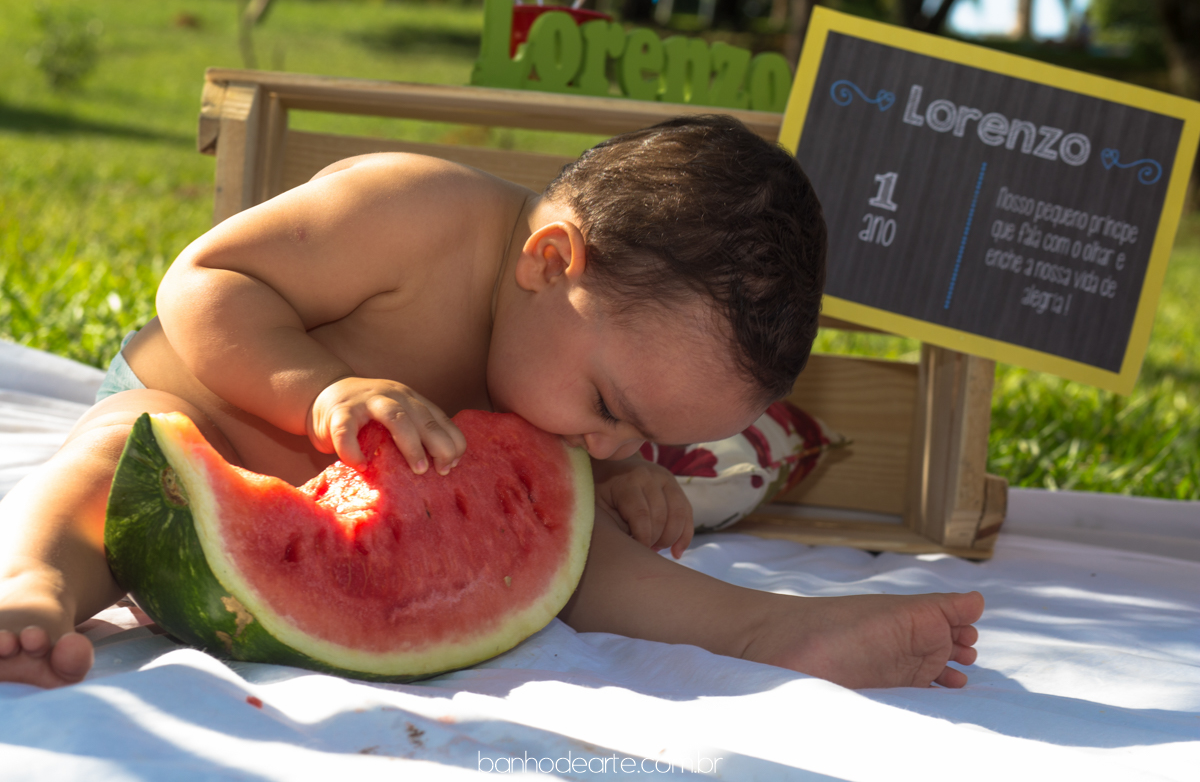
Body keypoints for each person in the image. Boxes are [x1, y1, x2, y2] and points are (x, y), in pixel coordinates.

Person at [0, 115, 983, 690]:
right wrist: (321, 391)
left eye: (645, 436)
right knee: (114, 449)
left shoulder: (560, 371)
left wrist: (618, 479)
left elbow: (583, 449)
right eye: (610, 405)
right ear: (551, 262)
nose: (605, 438)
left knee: (576, 541)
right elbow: (204, 281)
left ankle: (763, 630)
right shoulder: (410, 211)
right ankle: (34, 587)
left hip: (382, 502)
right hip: (203, 429)